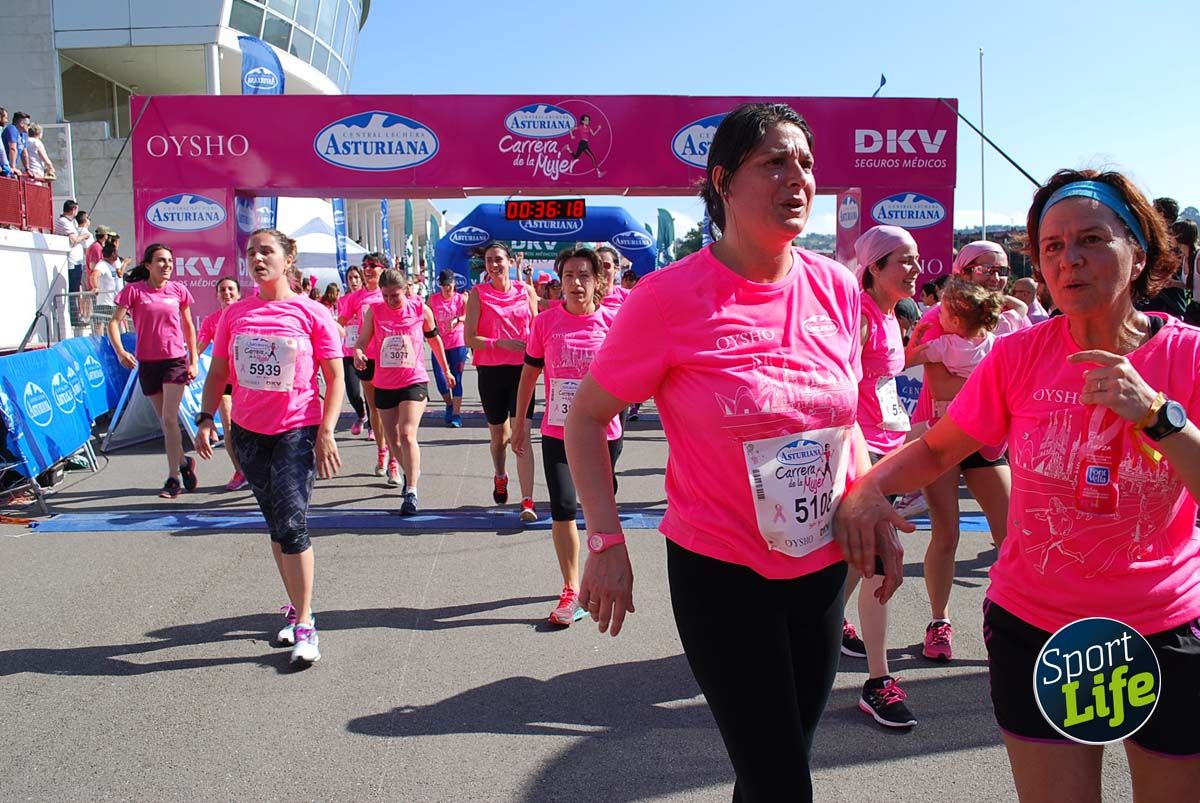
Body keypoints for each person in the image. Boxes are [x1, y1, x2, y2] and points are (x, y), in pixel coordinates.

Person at [568, 103, 898, 801]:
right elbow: (586, 417)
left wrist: (869, 500)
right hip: (722, 573)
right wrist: (604, 538)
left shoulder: (838, 287)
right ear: (722, 181)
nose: (797, 177)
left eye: (806, 162)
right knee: (783, 781)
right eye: (774, 162)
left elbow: (848, 424)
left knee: (774, 767)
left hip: (821, 569)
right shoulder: (666, 299)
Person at [835, 168, 1200, 801]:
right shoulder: (1018, 355)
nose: (1069, 259)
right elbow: (940, 448)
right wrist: (869, 488)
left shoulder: (1187, 357)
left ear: (1138, 253)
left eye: (1091, 239)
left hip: (1162, 628)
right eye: (1053, 246)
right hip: (1037, 629)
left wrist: (1156, 415)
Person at [195, 228, 344, 666]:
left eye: (266, 251)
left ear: (288, 257)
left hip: (297, 428)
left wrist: (328, 430)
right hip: (248, 431)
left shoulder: (311, 312)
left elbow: (334, 379)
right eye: (251, 252)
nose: (257, 259)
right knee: (277, 524)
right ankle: (298, 607)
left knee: (294, 523)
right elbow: (218, 373)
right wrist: (206, 419)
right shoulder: (235, 314)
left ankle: (306, 625)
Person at [904, 240, 1020, 661]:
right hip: (944, 436)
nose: (996, 277)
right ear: (963, 270)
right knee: (947, 533)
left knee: (1010, 536)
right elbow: (938, 385)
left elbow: (1017, 382)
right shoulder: (939, 318)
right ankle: (939, 621)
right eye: (986, 268)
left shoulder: (1008, 322)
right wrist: (994, 384)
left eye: (1003, 269)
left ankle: (1013, 620)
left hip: (989, 441)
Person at [513, 247, 621, 626]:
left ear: (598, 281)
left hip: (604, 433)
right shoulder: (545, 323)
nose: (576, 283)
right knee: (562, 507)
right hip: (557, 431)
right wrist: (520, 422)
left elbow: (633, 373)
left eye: (584, 275)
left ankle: (600, 572)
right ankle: (571, 589)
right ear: (560, 282)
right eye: (569, 276)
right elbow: (528, 376)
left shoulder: (614, 322)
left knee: (597, 511)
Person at [842, 225, 921, 729]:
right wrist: (863, 466)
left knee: (854, 562)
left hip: (888, 450)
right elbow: (841, 393)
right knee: (878, 563)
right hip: (862, 455)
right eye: (904, 261)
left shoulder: (894, 316)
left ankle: (813, 623)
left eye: (917, 260)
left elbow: (886, 390)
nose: (916, 270)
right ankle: (877, 681)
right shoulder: (862, 318)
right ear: (874, 267)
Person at [354, 269, 453, 513]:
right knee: (394, 439)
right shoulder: (375, 312)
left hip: (413, 380)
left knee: (407, 433)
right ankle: (411, 470)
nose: (389, 300)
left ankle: (411, 491)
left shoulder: (420, 309)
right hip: (385, 383)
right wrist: (358, 351)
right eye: (385, 295)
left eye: (395, 295)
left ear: (406, 290)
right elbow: (362, 341)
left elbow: (435, 341)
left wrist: (446, 369)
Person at [107, 243, 200, 499]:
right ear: (148, 265)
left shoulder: (179, 291)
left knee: (170, 419)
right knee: (164, 421)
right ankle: (183, 463)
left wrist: (193, 361)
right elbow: (114, 323)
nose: (167, 265)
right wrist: (120, 351)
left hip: (174, 361)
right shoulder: (133, 292)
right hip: (147, 363)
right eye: (160, 261)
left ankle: (172, 479)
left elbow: (189, 326)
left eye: (169, 261)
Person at [464, 240, 540, 522]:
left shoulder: (526, 291)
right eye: (489, 261)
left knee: (522, 435)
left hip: (522, 372)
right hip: (491, 372)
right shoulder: (478, 293)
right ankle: (500, 474)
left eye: (498, 259)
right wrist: (501, 344)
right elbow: (469, 338)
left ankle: (528, 501)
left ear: (510, 261)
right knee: (500, 438)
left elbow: (537, 328)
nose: (494, 265)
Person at [196, 277, 247, 492]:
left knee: (251, 428)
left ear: (238, 293)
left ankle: (258, 468)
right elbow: (199, 347)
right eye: (222, 290)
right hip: (223, 382)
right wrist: (189, 363)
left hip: (247, 381)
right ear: (217, 295)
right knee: (229, 428)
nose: (227, 293)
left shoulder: (248, 315)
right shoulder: (211, 321)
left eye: (231, 289)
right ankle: (240, 471)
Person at [339, 254, 390, 472]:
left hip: (389, 359)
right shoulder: (355, 298)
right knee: (375, 410)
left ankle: (395, 461)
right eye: (365, 266)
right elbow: (340, 323)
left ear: (383, 269)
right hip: (366, 358)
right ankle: (382, 454)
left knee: (390, 411)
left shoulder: (389, 293)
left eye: (372, 266)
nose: (367, 269)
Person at [908, 278, 1006, 386]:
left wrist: (914, 341)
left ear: (955, 321)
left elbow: (909, 360)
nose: (938, 316)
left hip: (955, 401)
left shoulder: (945, 346)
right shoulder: (995, 342)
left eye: (941, 312)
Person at [427, 269, 468, 427]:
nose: (447, 289)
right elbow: (425, 315)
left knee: (456, 379)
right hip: (439, 342)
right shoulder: (433, 299)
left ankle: (457, 415)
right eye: (444, 286)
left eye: (449, 285)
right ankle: (449, 404)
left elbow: (468, 315)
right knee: (440, 379)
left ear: (453, 284)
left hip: (457, 341)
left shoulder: (460, 299)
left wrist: (458, 319)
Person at [337, 265, 368, 435]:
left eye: (356, 277)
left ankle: (372, 426)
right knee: (353, 391)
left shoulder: (367, 299)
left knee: (370, 390)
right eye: (350, 278)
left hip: (366, 350)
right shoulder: (342, 300)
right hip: (348, 350)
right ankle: (361, 414)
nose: (354, 281)